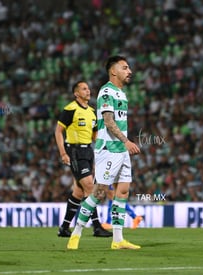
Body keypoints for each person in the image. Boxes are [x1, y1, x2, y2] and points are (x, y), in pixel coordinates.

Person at [67, 55, 141, 250]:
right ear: (113, 71)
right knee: (99, 192)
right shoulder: (107, 92)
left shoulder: (121, 93)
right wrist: (126, 141)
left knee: (123, 191)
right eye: (125, 68)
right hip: (109, 149)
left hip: (121, 150)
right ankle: (76, 233)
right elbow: (108, 122)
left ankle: (117, 240)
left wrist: (124, 143)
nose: (129, 71)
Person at [55, 81, 112, 238]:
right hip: (74, 151)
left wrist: (102, 148)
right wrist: (63, 153)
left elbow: (95, 135)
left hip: (88, 151)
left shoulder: (92, 112)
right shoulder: (70, 109)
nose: (88, 91)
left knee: (79, 192)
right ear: (76, 93)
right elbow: (58, 131)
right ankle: (97, 227)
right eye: (84, 89)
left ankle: (64, 227)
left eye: (88, 88)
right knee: (89, 187)